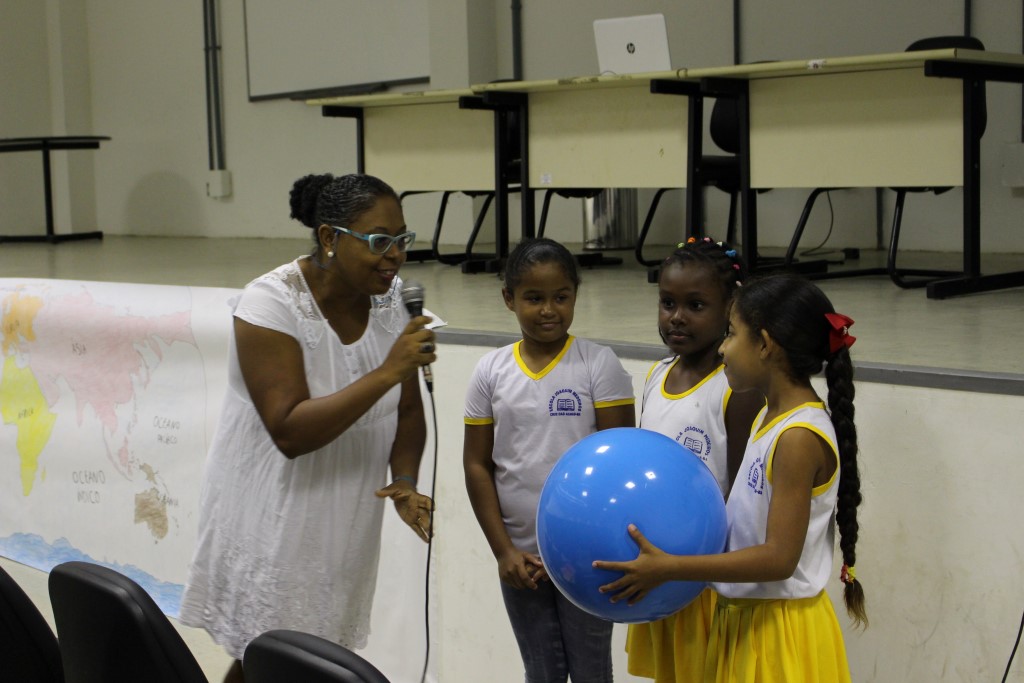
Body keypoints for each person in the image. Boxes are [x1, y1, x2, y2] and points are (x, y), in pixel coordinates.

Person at [179, 173, 437, 683]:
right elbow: (290, 431)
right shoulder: (270, 304)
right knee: (267, 656)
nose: (395, 256)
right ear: (329, 237)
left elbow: (408, 412)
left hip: (343, 519)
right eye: (378, 241)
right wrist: (388, 369)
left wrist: (405, 480)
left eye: (401, 239)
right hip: (275, 513)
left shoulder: (393, 305)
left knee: (308, 658)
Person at [595, 273, 866, 683]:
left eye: (731, 334)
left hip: (779, 634)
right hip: (742, 621)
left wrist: (671, 567)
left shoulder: (798, 437)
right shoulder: (768, 416)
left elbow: (779, 559)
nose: (722, 348)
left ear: (765, 344)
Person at [463, 237, 636, 683]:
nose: (548, 310)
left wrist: (602, 546)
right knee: (541, 672)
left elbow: (620, 465)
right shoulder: (490, 372)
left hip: (587, 557)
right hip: (521, 558)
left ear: (576, 295)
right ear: (509, 298)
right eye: (533, 298)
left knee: (592, 671)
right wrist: (503, 551)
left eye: (561, 297)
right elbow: (477, 465)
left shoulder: (598, 364)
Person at [625, 237, 763, 683]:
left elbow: (743, 500)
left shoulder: (735, 390)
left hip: (704, 578)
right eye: (668, 303)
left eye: (695, 305)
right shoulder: (656, 374)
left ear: (730, 309)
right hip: (657, 570)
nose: (677, 317)